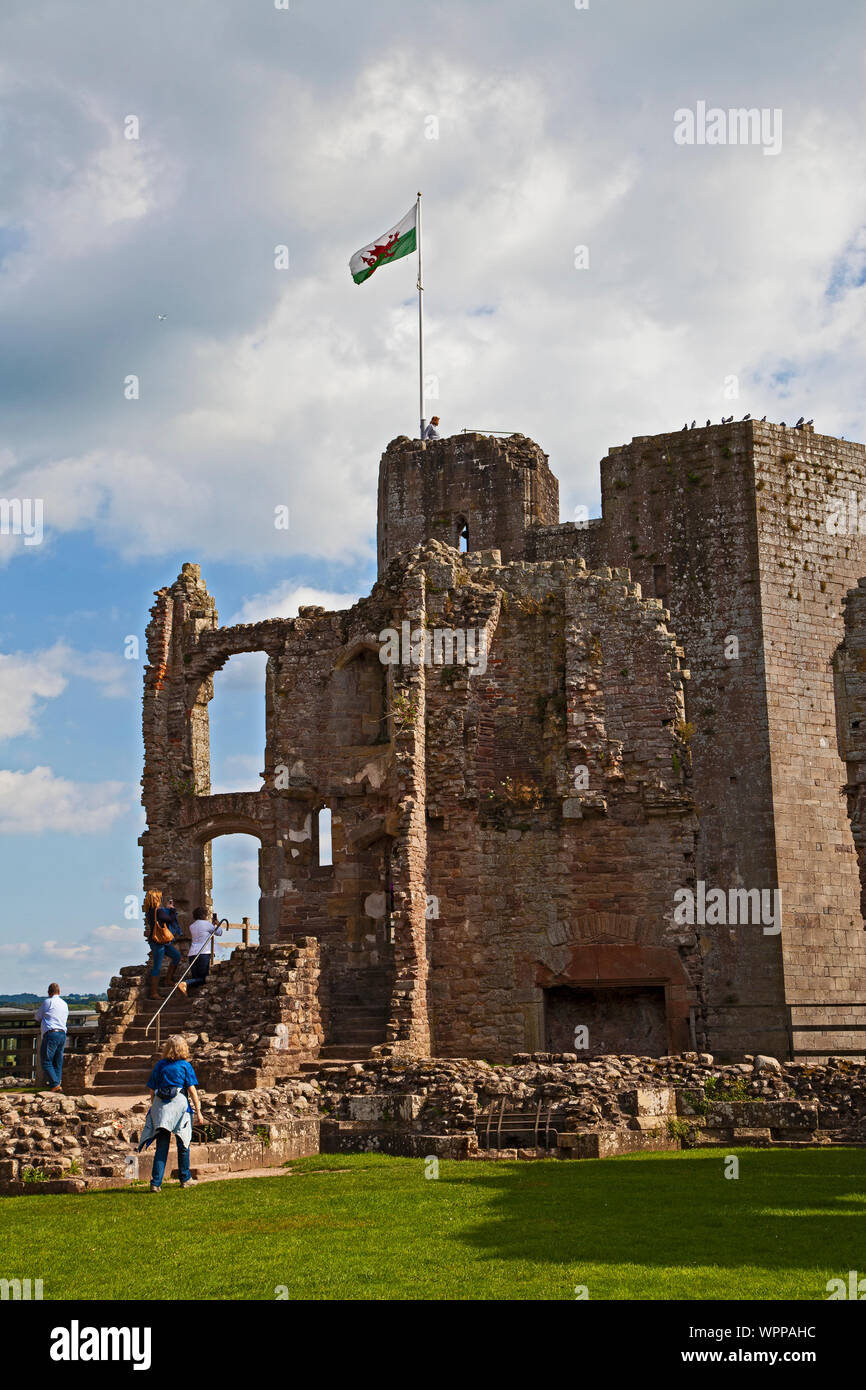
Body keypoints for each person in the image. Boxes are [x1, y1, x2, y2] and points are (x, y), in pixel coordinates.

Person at [138, 1035, 204, 1192]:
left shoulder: (160, 1065)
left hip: (161, 1108)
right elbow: (192, 1090)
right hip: (180, 1107)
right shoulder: (185, 1066)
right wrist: (198, 1111)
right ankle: (185, 1178)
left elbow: (152, 1090)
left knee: (162, 1146)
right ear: (184, 1048)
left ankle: (156, 1182)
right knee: (183, 1143)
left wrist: (153, 1107)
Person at [143, 888, 183, 1000]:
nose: (160, 899)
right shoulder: (158, 911)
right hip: (158, 942)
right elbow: (170, 919)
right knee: (157, 966)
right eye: (159, 897)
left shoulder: (150, 911)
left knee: (176, 956)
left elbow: (162, 919)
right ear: (156, 898)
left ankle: (168, 980)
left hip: (159, 941)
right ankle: (153, 993)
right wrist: (172, 909)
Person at [34, 983, 68, 1092]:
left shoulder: (48, 1002)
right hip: (62, 1034)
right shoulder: (64, 1004)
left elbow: (37, 1017)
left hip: (51, 1033)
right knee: (58, 1061)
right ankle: (57, 1084)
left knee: (46, 1061)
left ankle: (55, 1084)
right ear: (59, 992)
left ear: (49, 992)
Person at [186, 907, 223, 991]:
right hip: (204, 953)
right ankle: (185, 983)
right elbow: (219, 932)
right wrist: (217, 923)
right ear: (203, 915)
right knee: (204, 978)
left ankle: (186, 987)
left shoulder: (192, 926)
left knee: (196, 977)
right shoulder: (206, 924)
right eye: (206, 915)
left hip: (192, 953)